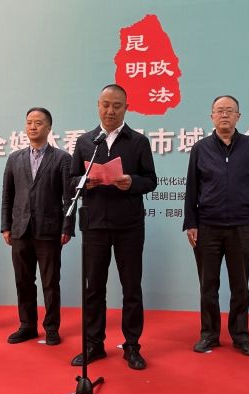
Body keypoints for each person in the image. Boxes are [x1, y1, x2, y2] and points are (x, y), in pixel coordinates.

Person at [69, 84, 157, 370]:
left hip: (129, 225)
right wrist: (85, 182)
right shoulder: (86, 142)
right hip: (94, 224)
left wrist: (132, 182)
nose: (110, 111)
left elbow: (151, 180)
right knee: (94, 287)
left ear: (126, 108)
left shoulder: (138, 142)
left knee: (131, 287)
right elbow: (71, 180)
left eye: (117, 106)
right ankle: (94, 344)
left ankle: (132, 346)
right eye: (105, 105)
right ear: (98, 106)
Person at [183, 95, 249, 356]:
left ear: (238, 117)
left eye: (229, 111)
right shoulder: (200, 148)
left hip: (242, 226)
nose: (224, 115)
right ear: (212, 116)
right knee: (208, 286)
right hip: (207, 227)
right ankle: (209, 334)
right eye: (219, 111)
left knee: (240, 287)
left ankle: (241, 336)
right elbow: (192, 188)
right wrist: (191, 223)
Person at [1, 107, 74, 346]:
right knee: (23, 281)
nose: (33, 126)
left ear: (49, 128)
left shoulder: (62, 158)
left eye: (39, 122)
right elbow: (7, 196)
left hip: (49, 231)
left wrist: (67, 227)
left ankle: (51, 327)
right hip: (20, 229)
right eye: (29, 122)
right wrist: (6, 226)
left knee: (50, 283)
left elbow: (69, 198)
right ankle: (27, 325)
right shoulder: (15, 158)